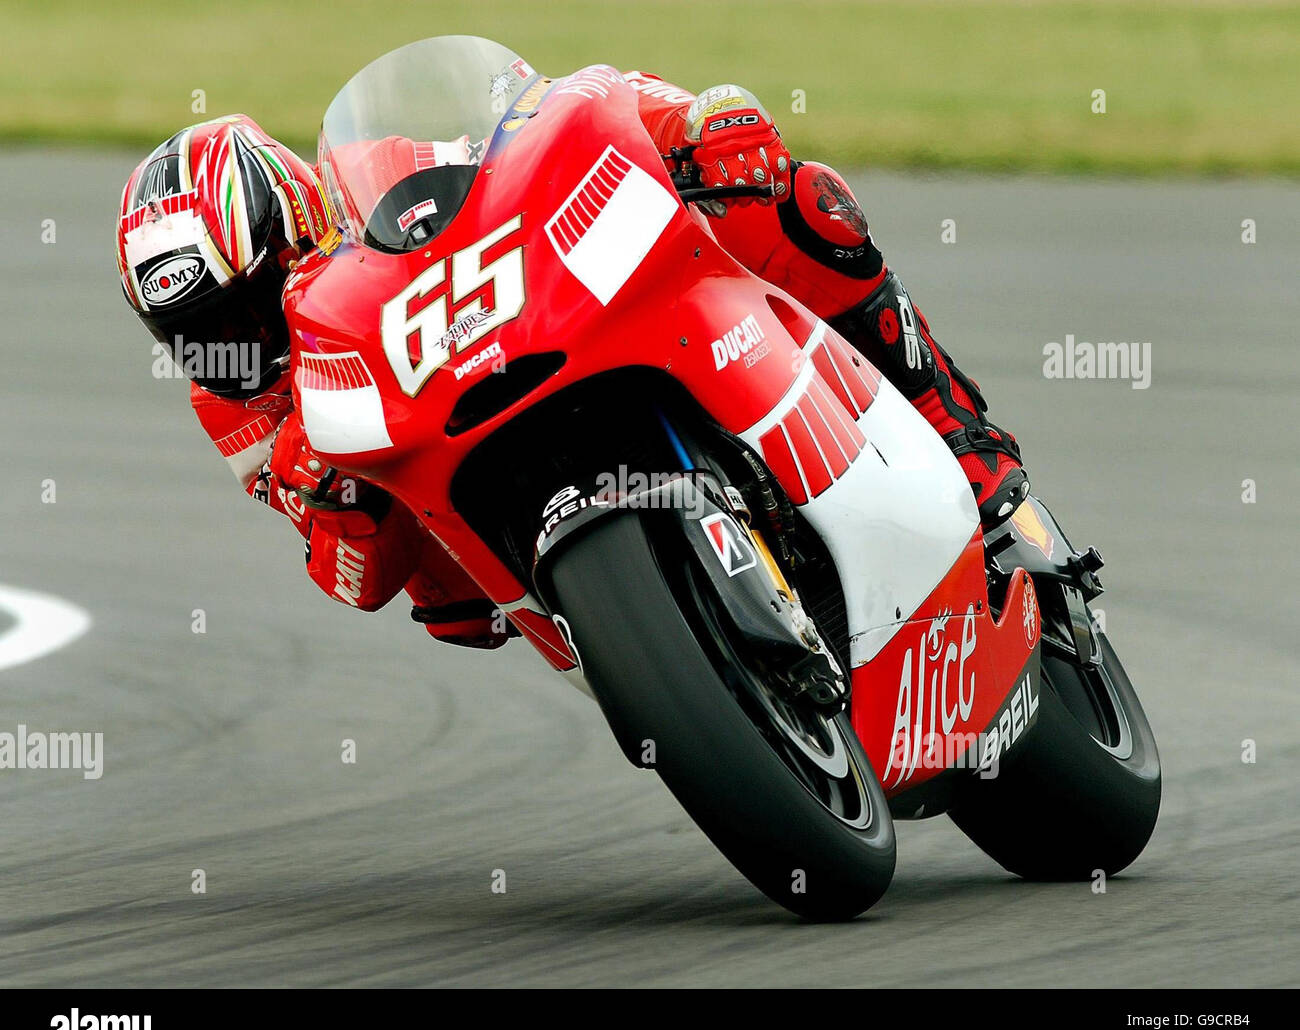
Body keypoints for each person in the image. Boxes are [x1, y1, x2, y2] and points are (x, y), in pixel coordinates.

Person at [115, 70, 1028, 650]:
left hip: (533, 325)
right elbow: (352, 582)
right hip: (451, 486)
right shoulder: (229, 401)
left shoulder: (388, 162)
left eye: (240, 307)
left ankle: (958, 429)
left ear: (295, 221)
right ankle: (657, 640)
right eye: (194, 332)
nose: (234, 345)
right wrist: (318, 483)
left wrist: (683, 127)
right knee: (444, 599)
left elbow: (551, 127)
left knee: (785, 196)